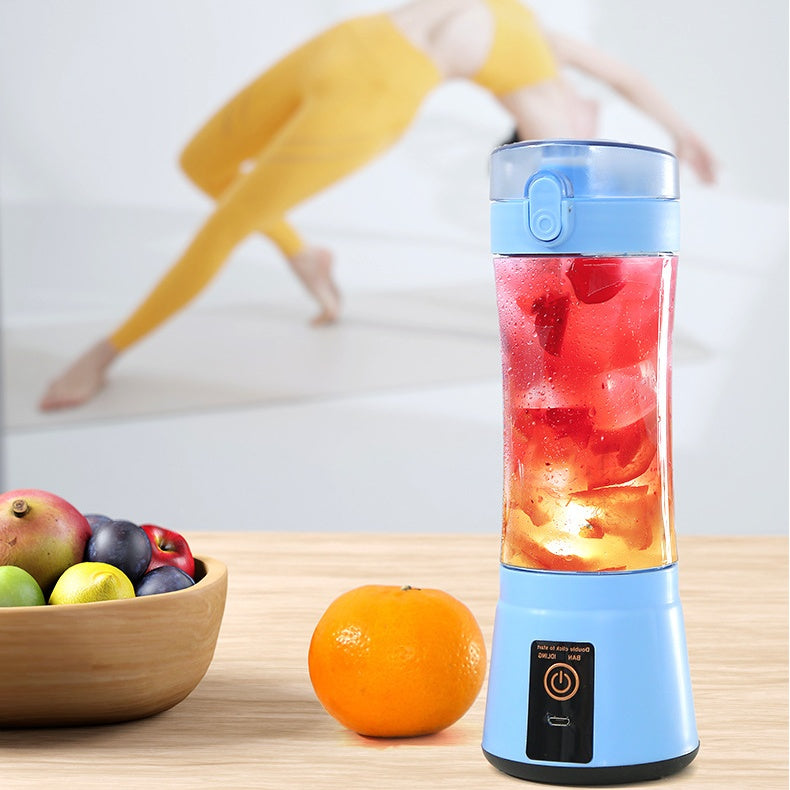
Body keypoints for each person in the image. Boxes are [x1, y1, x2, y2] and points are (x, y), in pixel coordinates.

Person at [39, 0, 716, 411]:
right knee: (201, 163)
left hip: (370, 98)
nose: (591, 119)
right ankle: (305, 255)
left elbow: (557, 218)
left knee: (225, 225)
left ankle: (103, 354)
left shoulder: (549, 121)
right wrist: (685, 130)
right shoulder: (539, 34)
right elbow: (626, 75)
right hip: (343, 43)